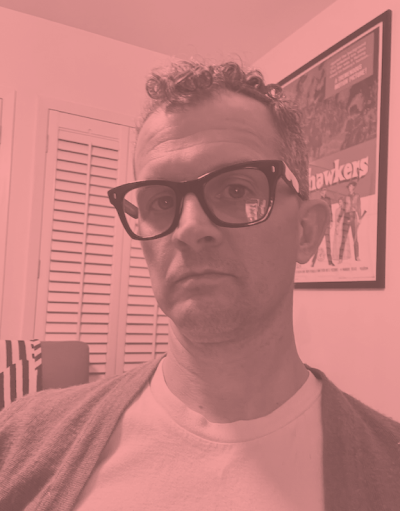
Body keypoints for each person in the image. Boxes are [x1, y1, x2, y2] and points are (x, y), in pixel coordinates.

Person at [1, 60, 399, 511]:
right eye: (161, 200)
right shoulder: (20, 440)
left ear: (306, 231)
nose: (189, 228)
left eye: (236, 190)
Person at [338, 180, 362, 263]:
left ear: (354, 187)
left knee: (355, 237)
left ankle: (357, 256)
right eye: (349, 186)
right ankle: (340, 258)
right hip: (346, 216)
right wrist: (338, 220)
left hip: (353, 217)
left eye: (351, 186)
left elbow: (359, 207)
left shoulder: (357, 196)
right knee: (343, 238)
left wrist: (360, 217)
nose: (350, 188)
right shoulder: (345, 197)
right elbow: (343, 209)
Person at [311, 186, 334, 267]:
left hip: (326, 223)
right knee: (317, 242)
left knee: (328, 242)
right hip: (320, 223)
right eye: (322, 190)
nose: (324, 192)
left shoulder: (328, 199)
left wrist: (331, 220)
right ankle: (313, 261)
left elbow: (330, 210)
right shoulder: (319, 201)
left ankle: (330, 261)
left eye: (325, 190)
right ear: (320, 192)